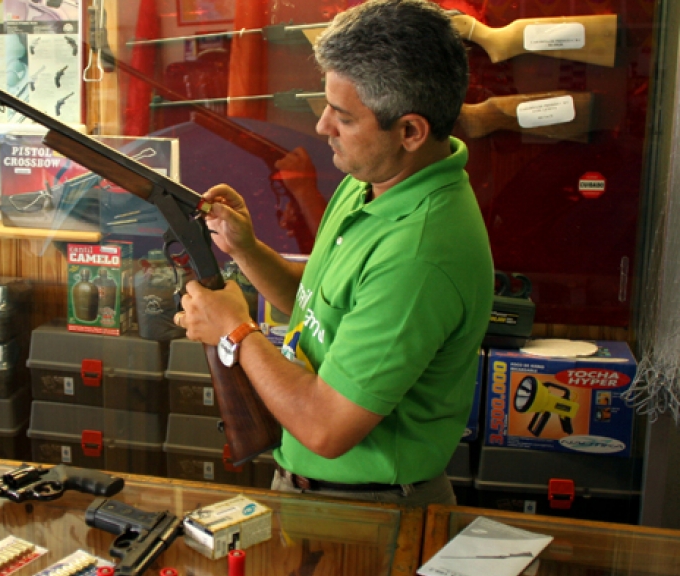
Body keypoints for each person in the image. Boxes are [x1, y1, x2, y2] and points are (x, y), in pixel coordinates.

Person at [173, 0, 494, 506]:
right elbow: (319, 307)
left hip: (369, 505)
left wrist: (235, 332)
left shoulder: (420, 254)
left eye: (343, 117)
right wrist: (247, 249)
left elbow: (326, 428)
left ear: (410, 131)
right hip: (314, 489)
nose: (322, 126)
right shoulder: (373, 179)